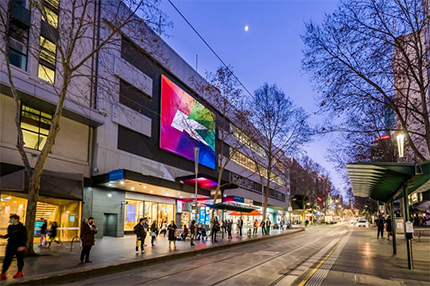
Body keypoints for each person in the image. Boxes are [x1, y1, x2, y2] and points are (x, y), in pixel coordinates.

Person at [0, 214, 27, 279]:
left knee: (20, 259)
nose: (10, 220)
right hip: (10, 245)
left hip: (19, 245)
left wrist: (23, 246)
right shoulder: (10, 227)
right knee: (7, 259)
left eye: (11, 219)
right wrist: (3, 236)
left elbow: (24, 237)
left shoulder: (22, 227)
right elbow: (9, 234)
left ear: (16, 219)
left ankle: (19, 271)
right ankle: (3, 273)